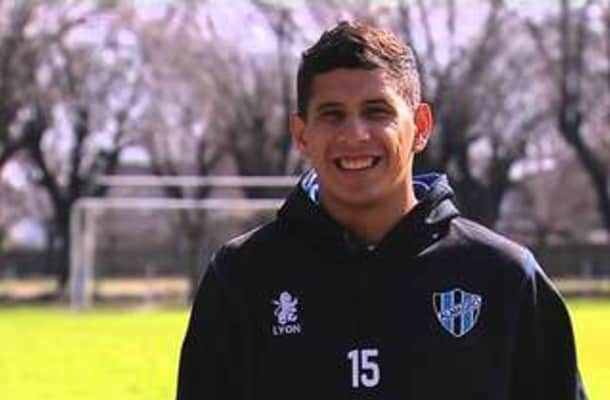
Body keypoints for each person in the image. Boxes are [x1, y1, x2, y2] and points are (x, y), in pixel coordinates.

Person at [177, 21, 587, 399]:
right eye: (332, 115)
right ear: (301, 135)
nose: (355, 134)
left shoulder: (503, 277)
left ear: (420, 127)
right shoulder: (241, 278)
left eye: (377, 112)